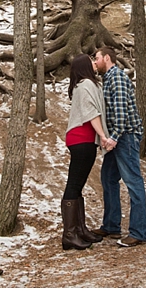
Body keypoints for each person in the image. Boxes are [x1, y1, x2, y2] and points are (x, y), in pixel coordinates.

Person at [92, 47, 146, 247]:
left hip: (125, 137)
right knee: (108, 179)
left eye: (97, 58)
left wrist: (113, 138)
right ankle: (111, 225)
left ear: (107, 58)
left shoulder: (116, 77)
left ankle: (139, 232)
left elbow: (121, 112)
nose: (95, 62)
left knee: (133, 182)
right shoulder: (108, 78)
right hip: (117, 138)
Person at [61, 53, 111, 250]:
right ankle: (69, 234)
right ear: (84, 66)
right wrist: (103, 136)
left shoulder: (84, 85)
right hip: (82, 138)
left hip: (83, 139)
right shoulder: (86, 85)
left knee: (78, 184)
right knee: (74, 184)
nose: (93, 62)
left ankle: (79, 229)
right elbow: (92, 113)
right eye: (90, 60)